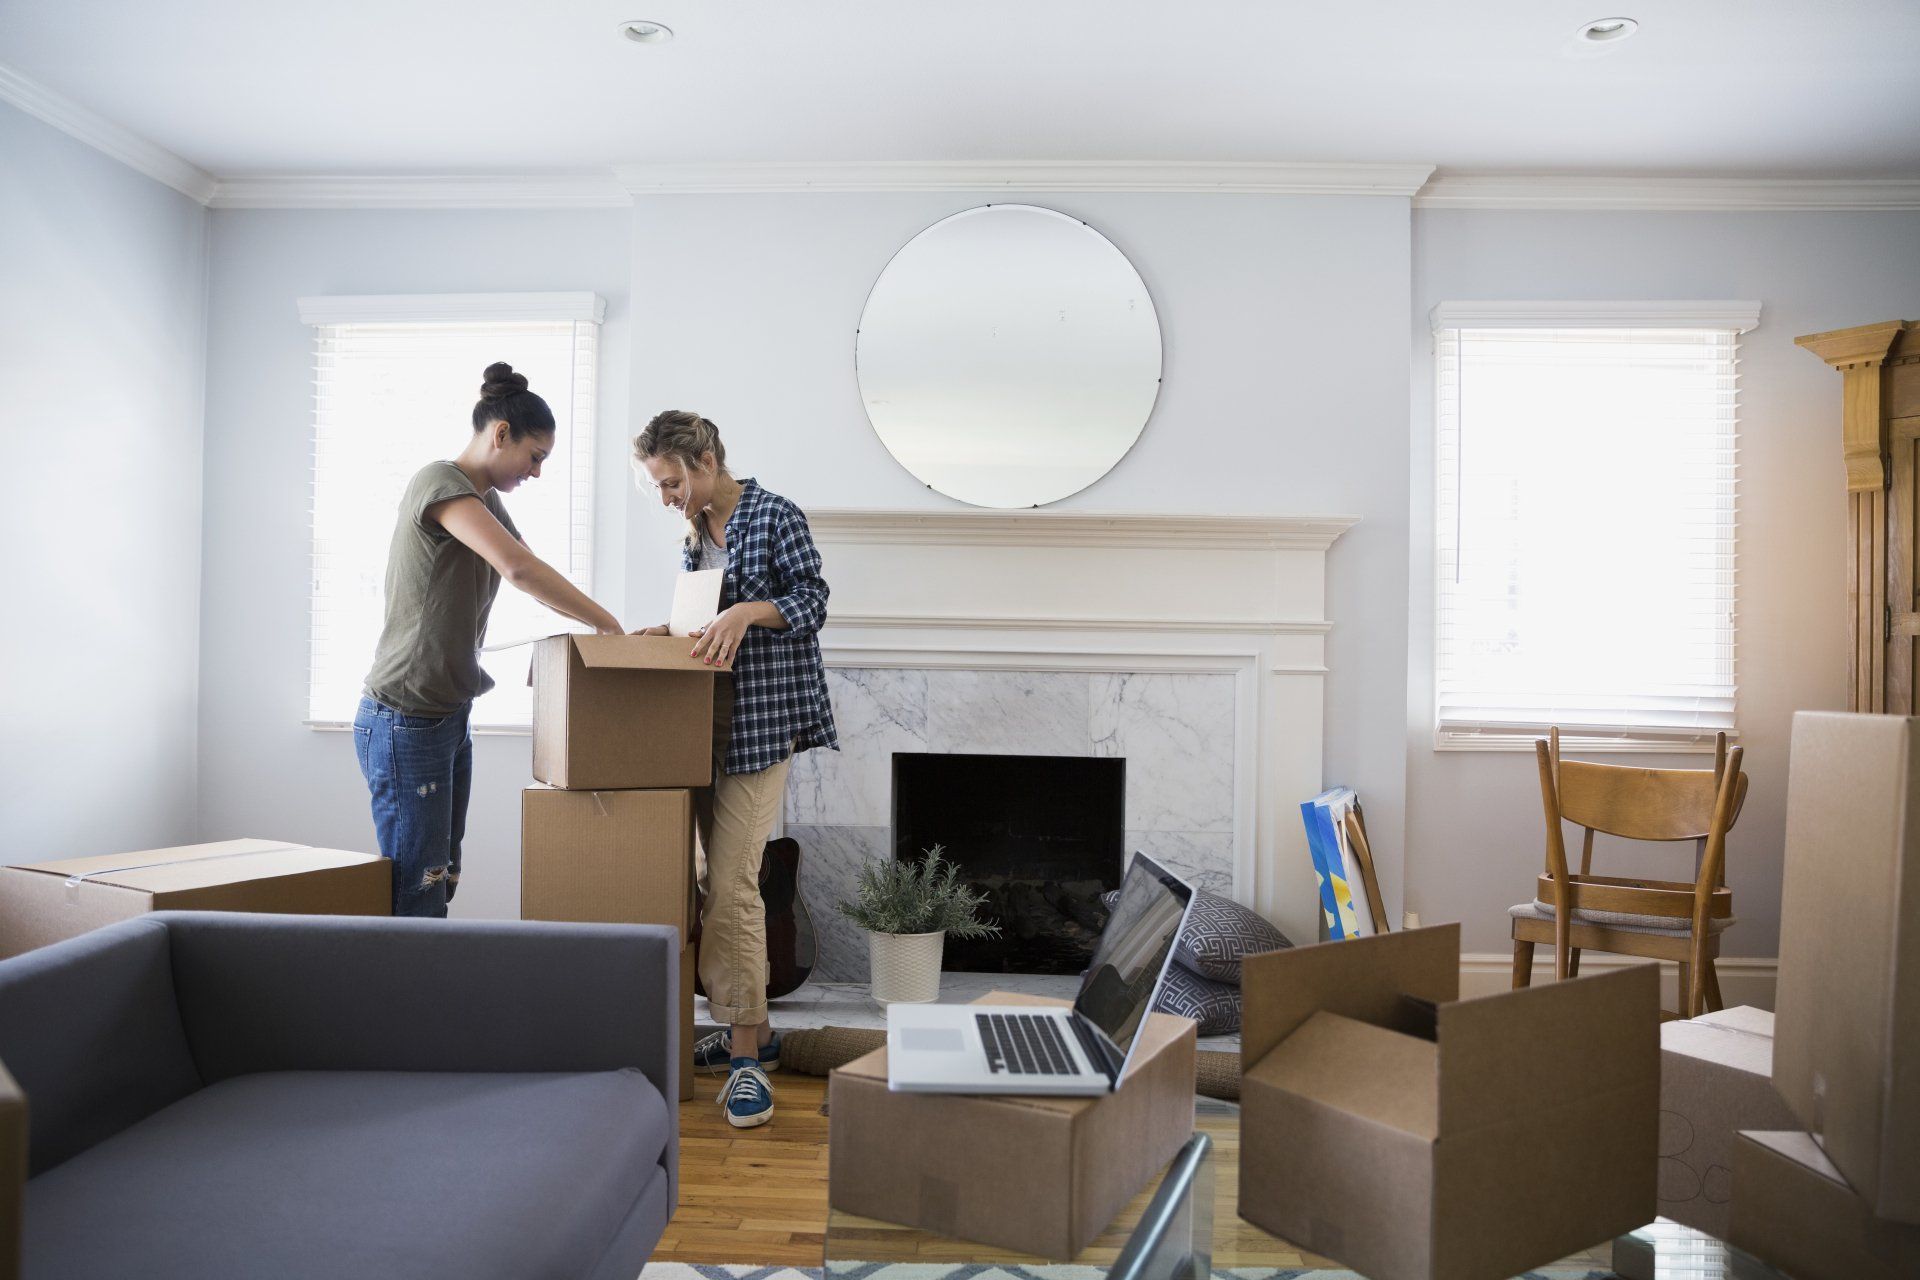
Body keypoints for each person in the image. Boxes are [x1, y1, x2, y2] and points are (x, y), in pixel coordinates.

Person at [357, 362, 622, 917]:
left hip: (447, 715)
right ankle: (405, 1002)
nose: (537, 472)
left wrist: (598, 628)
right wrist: (607, 622)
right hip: (406, 716)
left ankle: (429, 998)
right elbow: (518, 568)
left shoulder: (481, 500)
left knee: (442, 877)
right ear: (500, 434)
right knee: (417, 889)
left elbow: (528, 572)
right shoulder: (440, 483)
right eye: (536, 456)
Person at [633, 410, 838, 1129]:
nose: (665, 497)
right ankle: (742, 1032)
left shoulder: (775, 515)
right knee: (702, 880)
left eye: (669, 483)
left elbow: (813, 600)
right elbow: (705, 618)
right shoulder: (695, 534)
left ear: (707, 461)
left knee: (734, 884)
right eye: (656, 486)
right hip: (703, 726)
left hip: (762, 724)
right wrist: (675, 631)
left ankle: (748, 1059)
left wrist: (748, 611)